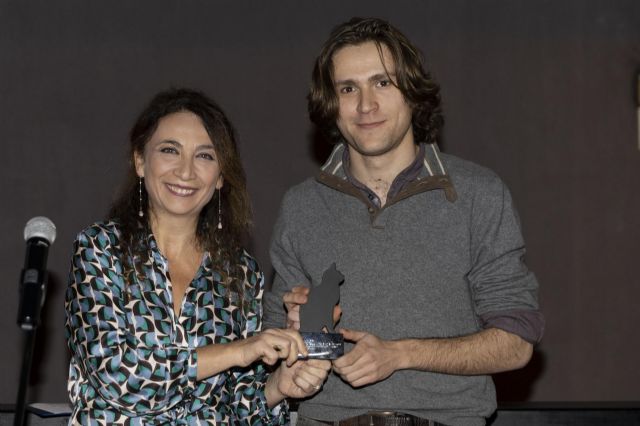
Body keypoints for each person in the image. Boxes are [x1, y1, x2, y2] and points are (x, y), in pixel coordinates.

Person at [263, 17, 544, 426]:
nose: (365, 105)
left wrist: (401, 354)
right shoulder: (301, 206)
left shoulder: (478, 194)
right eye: (347, 88)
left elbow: (516, 344)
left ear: (412, 93)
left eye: (382, 83)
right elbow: (271, 360)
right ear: (331, 104)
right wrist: (294, 336)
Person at [65, 88, 330, 424]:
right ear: (140, 161)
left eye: (204, 156)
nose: (186, 171)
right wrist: (237, 351)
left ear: (220, 177)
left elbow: (240, 407)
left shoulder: (241, 273)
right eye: (169, 150)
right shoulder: (100, 250)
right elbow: (120, 379)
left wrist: (278, 387)